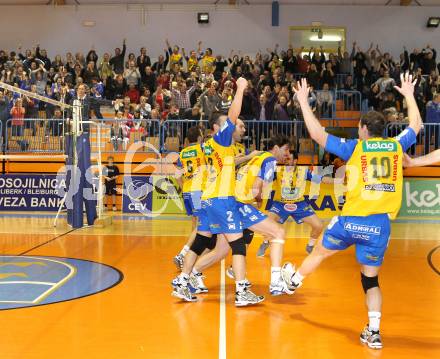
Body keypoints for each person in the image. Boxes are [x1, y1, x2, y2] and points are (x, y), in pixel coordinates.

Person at [281, 73, 421, 349]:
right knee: (370, 280)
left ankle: (293, 281)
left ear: (364, 129)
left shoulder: (355, 148)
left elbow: (317, 134)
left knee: (321, 249)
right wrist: (408, 95)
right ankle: (375, 331)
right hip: (379, 227)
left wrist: (303, 102)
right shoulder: (395, 146)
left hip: (352, 221)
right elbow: (416, 124)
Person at [172, 77, 265, 306]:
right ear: (218, 127)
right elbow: (232, 115)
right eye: (228, 125)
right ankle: (242, 291)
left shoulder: (211, 147)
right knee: (238, 243)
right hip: (222, 199)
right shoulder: (221, 140)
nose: (233, 127)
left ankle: (182, 280)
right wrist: (240, 89)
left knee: (201, 241)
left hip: (207, 198)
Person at [256, 150, 337, 257]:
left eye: (288, 158)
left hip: (299, 205)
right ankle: (265, 243)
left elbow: (321, 179)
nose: (285, 160)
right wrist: (259, 196)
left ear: (295, 160)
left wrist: (337, 181)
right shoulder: (278, 171)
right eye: (285, 158)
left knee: (318, 225)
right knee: (268, 223)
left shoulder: (304, 171)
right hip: (280, 204)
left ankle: (310, 246)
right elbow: (263, 181)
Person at [173, 126, 206, 270]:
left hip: (187, 191)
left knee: (195, 225)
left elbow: (177, 175)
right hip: (198, 191)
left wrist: (183, 187)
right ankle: (183, 254)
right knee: (200, 225)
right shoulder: (203, 149)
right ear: (199, 137)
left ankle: (192, 253)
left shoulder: (182, 153)